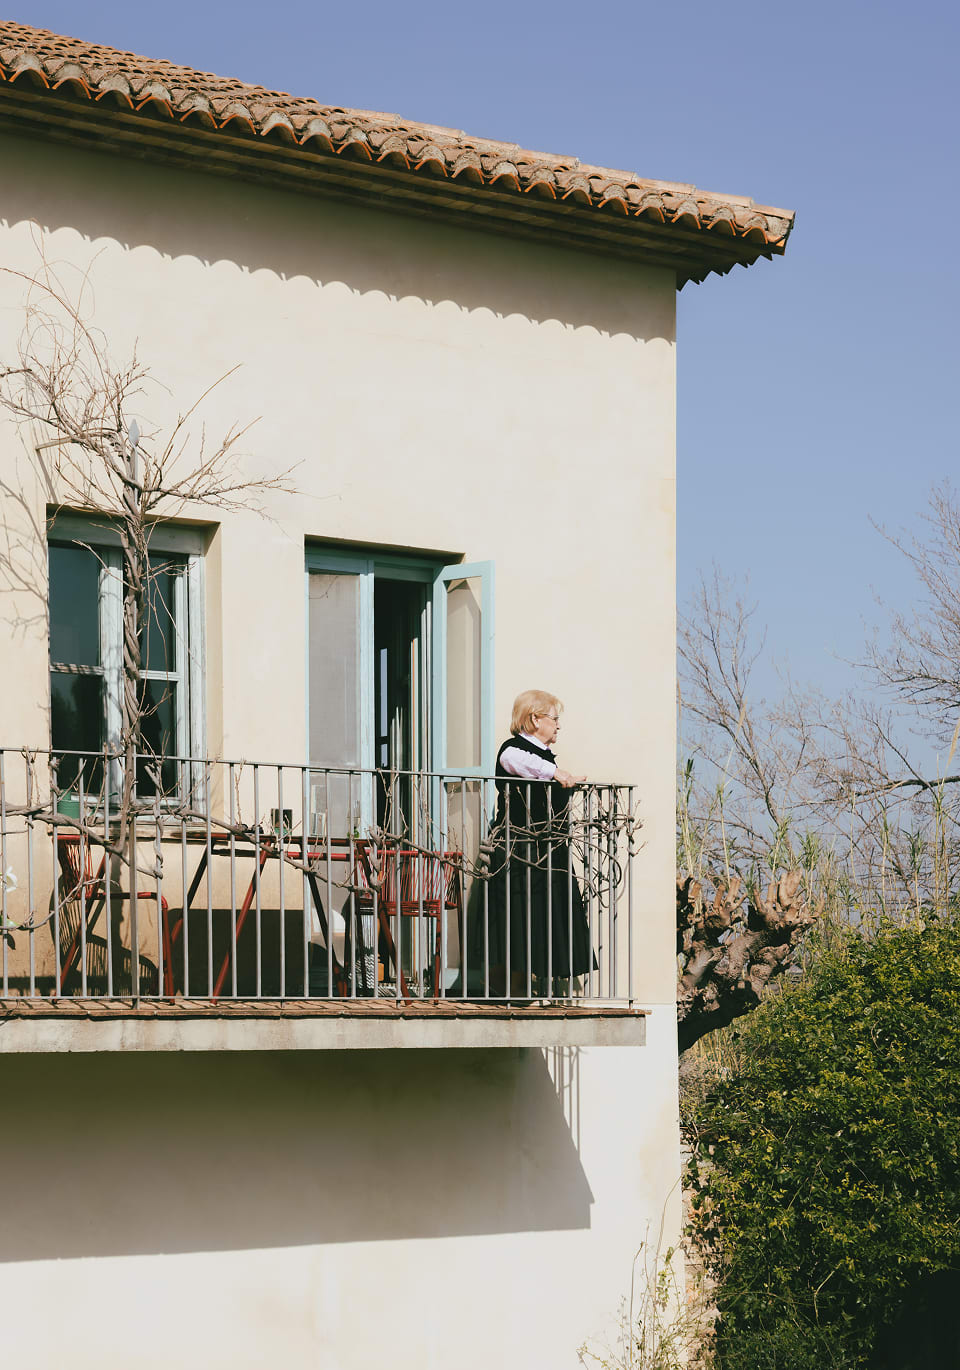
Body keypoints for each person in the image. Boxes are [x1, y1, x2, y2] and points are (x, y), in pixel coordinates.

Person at [473, 689, 594, 999]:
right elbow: (514, 761)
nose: (558, 725)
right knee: (516, 915)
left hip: (546, 851)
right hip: (520, 849)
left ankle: (528, 986)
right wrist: (556, 773)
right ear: (534, 719)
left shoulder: (542, 757)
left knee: (541, 915)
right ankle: (508, 990)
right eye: (554, 718)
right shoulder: (513, 750)